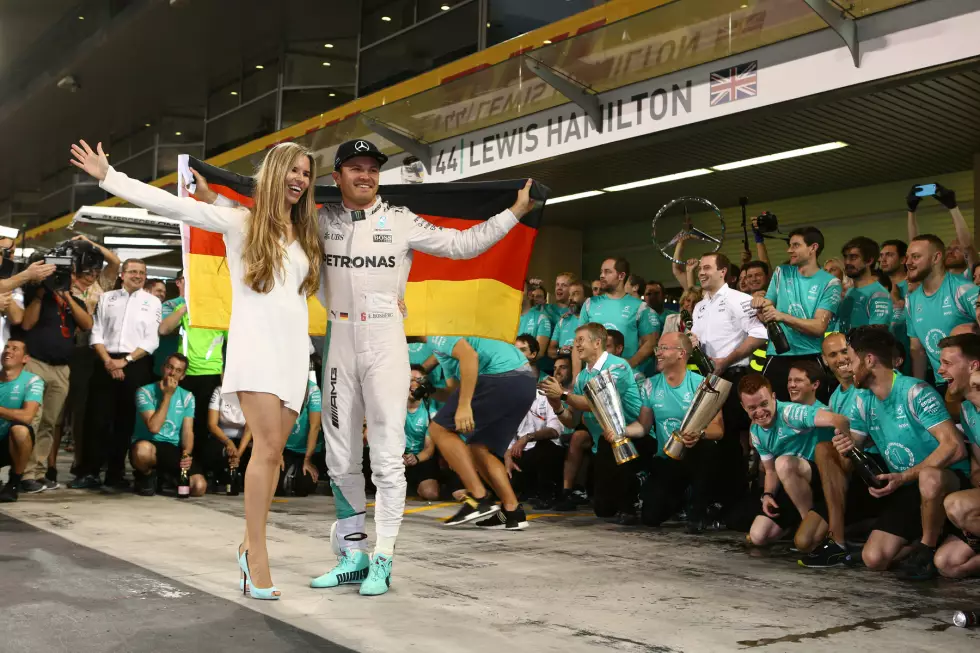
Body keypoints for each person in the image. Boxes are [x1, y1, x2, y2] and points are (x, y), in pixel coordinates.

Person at [71, 139, 323, 600]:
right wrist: (110, 177)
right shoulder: (241, 221)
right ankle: (256, 555)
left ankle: (250, 544)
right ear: (273, 174)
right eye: (293, 170)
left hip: (294, 354)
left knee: (273, 454)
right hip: (255, 352)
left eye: (306, 174)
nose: (300, 180)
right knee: (265, 450)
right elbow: (171, 205)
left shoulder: (306, 232)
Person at [290, 139, 533, 595]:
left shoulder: (400, 220)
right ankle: (353, 555)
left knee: (385, 456)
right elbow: (266, 226)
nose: (366, 176)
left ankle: (384, 558)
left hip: (386, 340)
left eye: (373, 169)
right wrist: (215, 197)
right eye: (355, 168)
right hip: (337, 339)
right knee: (340, 455)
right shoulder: (318, 221)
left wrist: (516, 211)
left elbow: (464, 245)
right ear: (337, 176)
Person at [832, 326, 970, 580]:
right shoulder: (863, 400)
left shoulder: (914, 391)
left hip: (947, 483)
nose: (848, 368)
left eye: (851, 360)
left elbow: (955, 447)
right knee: (873, 559)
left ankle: (927, 550)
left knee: (930, 477)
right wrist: (846, 448)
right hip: (908, 488)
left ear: (869, 360)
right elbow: (851, 456)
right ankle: (927, 539)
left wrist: (904, 477)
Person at [422, 336, 536, 530]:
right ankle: (512, 511)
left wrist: (465, 405)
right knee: (478, 447)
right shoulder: (442, 349)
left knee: (438, 428)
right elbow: (455, 390)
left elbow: (469, 356)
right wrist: (430, 391)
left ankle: (478, 497)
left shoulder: (436, 333)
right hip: (524, 382)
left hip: (502, 376)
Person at [70, 258, 161, 491]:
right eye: (133, 271)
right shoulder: (107, 298)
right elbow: (96, 333)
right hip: (105, 361)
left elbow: (151, 340)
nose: (137, 275)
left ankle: (115, 473)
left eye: (142, 272)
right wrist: (109, 362)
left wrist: (125, 361)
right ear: (122, 274)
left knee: (125, 421)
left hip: (136, 363)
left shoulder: (152, 302)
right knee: (97, 419)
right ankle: (89, 472)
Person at [541, 323, 645, 524]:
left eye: (581, 340)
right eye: (574, 341)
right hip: (603, 445)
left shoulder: (618, 366)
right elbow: (571, 420)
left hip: (632, 437)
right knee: (603, 510)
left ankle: (638, 485)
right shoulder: (582, 377)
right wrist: (556, 405)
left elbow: (598, 403)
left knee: (622, 505)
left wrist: (562, 394)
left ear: (597, 343)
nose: (575, 345)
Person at [739, 373, 851, 546]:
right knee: (758, 536)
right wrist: (768, 495)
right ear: (743, 407)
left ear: (774, 397)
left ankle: (808, 524)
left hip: (822, 479)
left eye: (764, 404)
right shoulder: (756, 432)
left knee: (783, 462)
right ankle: (796, 526)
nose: (760, 412)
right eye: (752, 408)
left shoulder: (791, 413)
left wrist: (845, 451)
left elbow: (838, 419)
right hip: (794, 485)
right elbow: (769, 471)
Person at [796, 332, 877, 568]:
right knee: (803, 541)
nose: (841, 358)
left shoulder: (866, 388)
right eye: (833, 354)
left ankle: (839, 542)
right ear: (825, 360)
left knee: (824, 449)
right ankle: (860, 528)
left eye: (844, 351)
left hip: (867, 469)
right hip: (845, 475)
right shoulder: (834, 399)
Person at [631, 332, 724, 532]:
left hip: (695, 455)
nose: (659, 353)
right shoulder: (650, 384)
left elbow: (718, 429)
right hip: (667, 458)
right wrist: (618, 430)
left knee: (708, 448)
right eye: (658, 348)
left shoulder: (703, 384)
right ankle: (680, 498)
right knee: (650, 518)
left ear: (681, 353)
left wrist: (699, 434)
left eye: (664, 348)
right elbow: (643, 427)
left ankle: (699, 509)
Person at [15, 274, 92, 493]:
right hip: (37, 364)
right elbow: (27, 324)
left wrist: (67, 296)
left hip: (62, 369)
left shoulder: (73, 302)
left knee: (50, 422)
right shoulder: (37, 297)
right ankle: (24, 473)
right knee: (33, 420)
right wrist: (40, 295)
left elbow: (86, 324)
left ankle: (39, 472)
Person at [752, 227, 841, 402]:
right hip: (778, 355)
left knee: (812, 416)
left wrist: (782, 316)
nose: (789, 250)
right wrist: (759, 306)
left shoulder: (830, 282)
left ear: (813, 248)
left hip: (810, 356)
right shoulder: (782, 272)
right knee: (773, 412)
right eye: (789, 245)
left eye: (795, 245)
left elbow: (818, 327)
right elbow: (767, 311)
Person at [904, 234, 979, 392]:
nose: (908, 262)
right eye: (907, 257)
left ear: (936, 257)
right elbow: (917, 351)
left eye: (916, 257)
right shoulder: (911, 301)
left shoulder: (963, 290)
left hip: (973, 382)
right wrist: (920, 388)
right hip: (943, 384)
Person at [131, 353, 206, 497]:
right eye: (169, 367)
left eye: (178, 371)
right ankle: (146, 475)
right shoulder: (144, 391)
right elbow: (154, 427)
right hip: (150, 444)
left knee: (199, 487)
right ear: (162, 368)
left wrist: (187, 454)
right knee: (142, 451)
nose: (172, 373)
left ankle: (168, 478)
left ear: (182, 376)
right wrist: (167, 395)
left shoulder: (188, 396)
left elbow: (188, 431)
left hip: (172, 448)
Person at [574, 257, 659, 379]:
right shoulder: (590, 304)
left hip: (624, 379)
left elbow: (650, 342)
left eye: (608, 272)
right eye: (601, 272)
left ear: (621, 275)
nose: (602, 275)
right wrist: (576, 377)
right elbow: (578, 342)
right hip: (592, 377)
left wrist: (628, 366)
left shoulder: (639, 307)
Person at [935, 366, 980, 578]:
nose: (940, 370)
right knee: (947, 563)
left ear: (973, 367)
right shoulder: (967, 410)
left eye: (947, 363)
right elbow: (977, 467)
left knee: (958, 505)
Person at [0, 340, 45, 503]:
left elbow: (27, 416)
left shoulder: (33, 381)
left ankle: (14, 483)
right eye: (6, 347)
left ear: (25, 359)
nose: (8, 351)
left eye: (14, 349)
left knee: (20, 430)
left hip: (10, 442)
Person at [279, 376, 321, 497]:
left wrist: (307, 460)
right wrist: (278, 454)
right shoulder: (281, 386)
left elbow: (315, 426)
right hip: (285, 447)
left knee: (305, 486)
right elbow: (274, 422)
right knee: (275, 485)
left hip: (306, 450)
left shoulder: (313, 390)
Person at [838, 237, 891, 333]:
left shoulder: (879, 295)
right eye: (846, 257)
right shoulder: (850, 292)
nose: (847, 262)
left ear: (869, 261)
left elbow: (877, 336)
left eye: (853, 257)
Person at [403, 365, 438, 501]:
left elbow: (430, 448)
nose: (413, 384)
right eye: (410, 380)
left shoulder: (430, 407)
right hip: (395, 458)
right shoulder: (392, 405)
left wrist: (416, 458)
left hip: (421, 458)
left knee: (431, 493)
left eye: (418, 381)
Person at [206, 386, 251, 490]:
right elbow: (212, 425)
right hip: (221, 436)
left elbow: (249, 429)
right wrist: (228, 442)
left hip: (243, 439)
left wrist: (238, 453)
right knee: (215, 450)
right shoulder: (219, 391)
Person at [547, 281, 586, 359]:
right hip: (564, 367)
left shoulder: (593, 322)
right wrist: (560, 351)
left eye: (575, 294)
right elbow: (550, 351)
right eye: (569, 295)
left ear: (586, 298)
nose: (570, 298)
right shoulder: (562, 321)